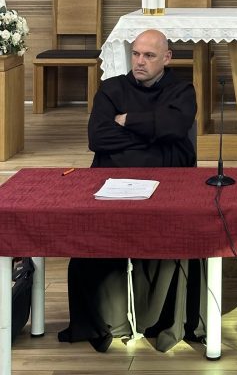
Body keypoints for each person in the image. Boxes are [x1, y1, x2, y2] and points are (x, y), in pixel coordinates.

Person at [58, 29, 202, 353]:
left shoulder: (182, 90)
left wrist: (128, 121)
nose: (139, 61)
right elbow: (98, 138)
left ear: (167, 58)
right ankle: (105, 320)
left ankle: (161, 320)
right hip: (112, 184)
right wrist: (155, 136)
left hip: (167, 185)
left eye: (149, 55)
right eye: (136, 54)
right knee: (91, 236)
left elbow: (176, 128)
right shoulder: (111, 89)